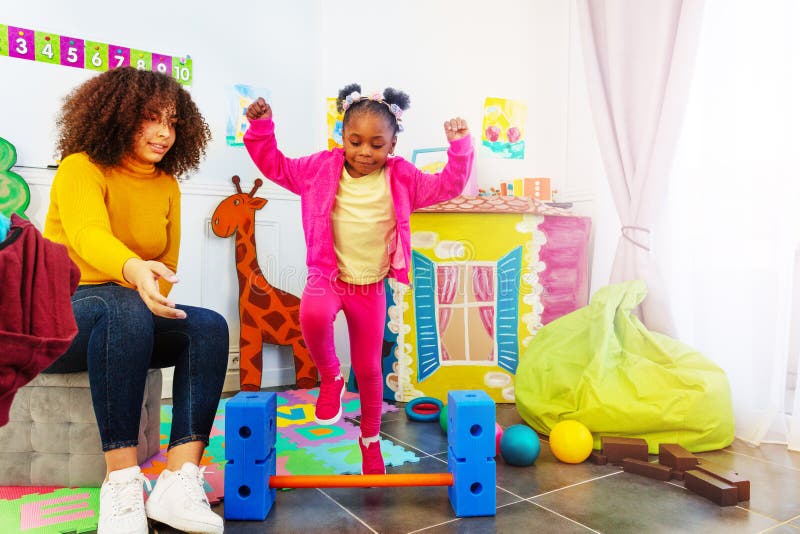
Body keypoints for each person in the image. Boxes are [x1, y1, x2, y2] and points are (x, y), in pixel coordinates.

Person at [244, 83, 473, 474]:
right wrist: (262, 128)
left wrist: (460, 147)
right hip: (328, 274)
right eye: (355, 141)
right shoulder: (319, 168)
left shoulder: (402, 177)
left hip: (370, 286)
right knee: (312, 316)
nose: (365, 151)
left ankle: (370, 439)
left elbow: (447, 186)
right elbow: (276, 166)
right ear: (342, 137)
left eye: (376, 144)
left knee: (368, 370)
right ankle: (331, 376)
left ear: (393, 145)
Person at [42, 67, 227, 534]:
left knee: (207, 325)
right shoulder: (80, 167)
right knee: (120, 305)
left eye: (173, 122)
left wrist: (152, 292)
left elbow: (166, 263)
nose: (164, 133)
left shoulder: (166, 184)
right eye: (151, 119)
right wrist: (134, 271)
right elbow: (88, 235)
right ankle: (121, 484)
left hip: (127, 314)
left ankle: (179, 480)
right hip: (61, 316)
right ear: (118, 116)